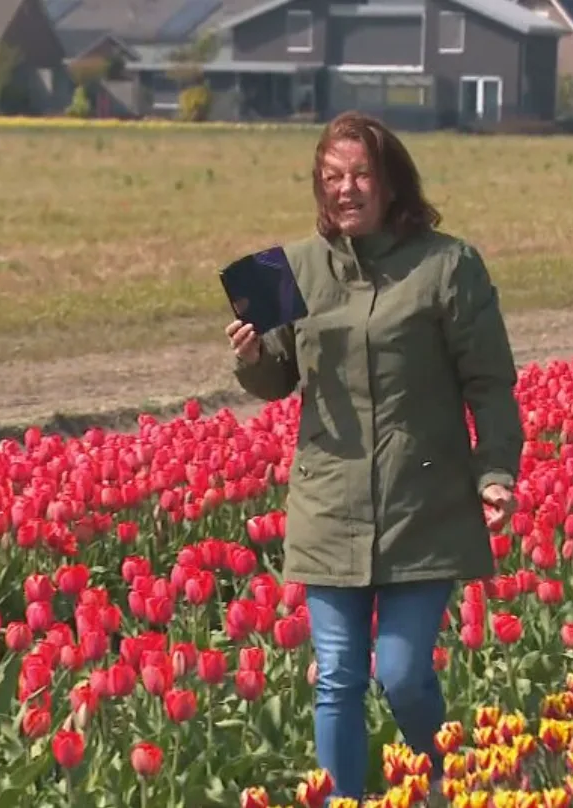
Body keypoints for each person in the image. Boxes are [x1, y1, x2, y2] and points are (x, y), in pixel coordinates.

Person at [225, 111, 522, 803]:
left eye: (360, 175)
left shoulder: (449, 265)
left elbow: (490, 382)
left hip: (424, 502)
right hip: (330, 503)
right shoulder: (283, 268)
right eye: (332, 178)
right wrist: (250, 359)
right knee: (336, 675)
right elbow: (276, 382)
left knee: (401, 672)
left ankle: (448, 783)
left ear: (391, 183)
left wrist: (497, 470)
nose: (346, 190)